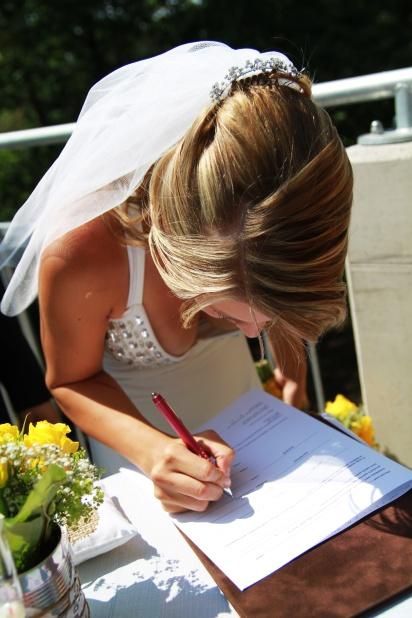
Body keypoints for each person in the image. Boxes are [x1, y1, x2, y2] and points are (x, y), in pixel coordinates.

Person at [0, 42, 353, 514]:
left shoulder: (275, 216)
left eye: (266, 319)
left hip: (254, 427)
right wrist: (154, 452)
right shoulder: (80, 254)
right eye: (224, 308)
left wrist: (293, 377)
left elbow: (275, 292)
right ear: (172, 238)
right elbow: (69, 380)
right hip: (141, 458)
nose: (255, 334)